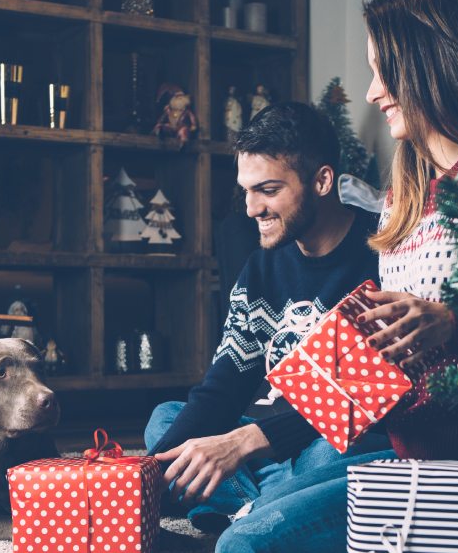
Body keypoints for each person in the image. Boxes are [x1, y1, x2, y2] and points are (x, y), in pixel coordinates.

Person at [190, 0, 458, 551]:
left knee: (242, 543)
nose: (371, 93)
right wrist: (245, 438)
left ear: (432, 66)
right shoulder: (402, 202)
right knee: (215, 461)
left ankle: (256, 500)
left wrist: (455, 326)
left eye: (384, 74)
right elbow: (374, 372)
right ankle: (259, 495)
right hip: (394, 447)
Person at [144, 101, 395, 545]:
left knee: (337, 453)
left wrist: (243, 443)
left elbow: (363, 402)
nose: (251, 208)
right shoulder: (261, 269)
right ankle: (265, 510)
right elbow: (224, 385)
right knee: (166, 422)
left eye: (268, 189)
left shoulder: (383, 256)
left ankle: (246, 509)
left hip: (332, 442)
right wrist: (141, 479)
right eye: (246, 191)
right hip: (270, 448)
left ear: (321, 180)